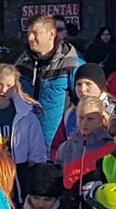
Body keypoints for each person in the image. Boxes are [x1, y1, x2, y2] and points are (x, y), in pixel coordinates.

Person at [14, 14, 82, 148]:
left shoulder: (72, 65)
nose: (30, 38)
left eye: (36, 33)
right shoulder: (22, 64)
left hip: (58, 147)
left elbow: (86, 103)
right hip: (25, 144)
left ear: (51, 34)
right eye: (28, 33)